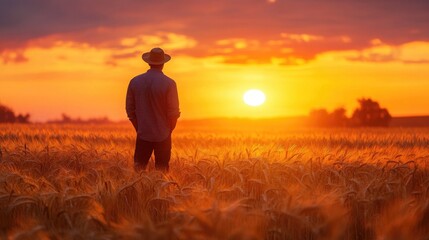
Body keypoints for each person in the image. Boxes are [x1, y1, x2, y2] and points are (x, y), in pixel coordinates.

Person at [126, 48, 180, 172]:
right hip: (163, 135)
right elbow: (174, 112)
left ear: (148, 62)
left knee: (138, 172)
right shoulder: (169, 83)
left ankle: (139, 192)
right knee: (162, 174)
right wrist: (168, 131)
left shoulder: (135, 81)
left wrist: (139, 128)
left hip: (143, 134)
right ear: (163, 63)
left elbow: (130, 110)